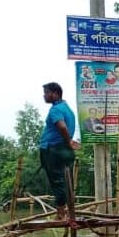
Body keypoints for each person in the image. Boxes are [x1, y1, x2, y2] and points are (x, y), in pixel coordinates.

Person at [39, 82, 80, 223]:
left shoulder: (55, 110)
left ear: (55, 93)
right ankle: (69, 212)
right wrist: (69, 142)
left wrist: (68, 140)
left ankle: (61, 214)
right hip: (65, 150)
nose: (44, 96)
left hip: (54, 149)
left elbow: (62, 126)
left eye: (46, 93)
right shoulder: (67, 108)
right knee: (67, 181)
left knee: (57, 182)